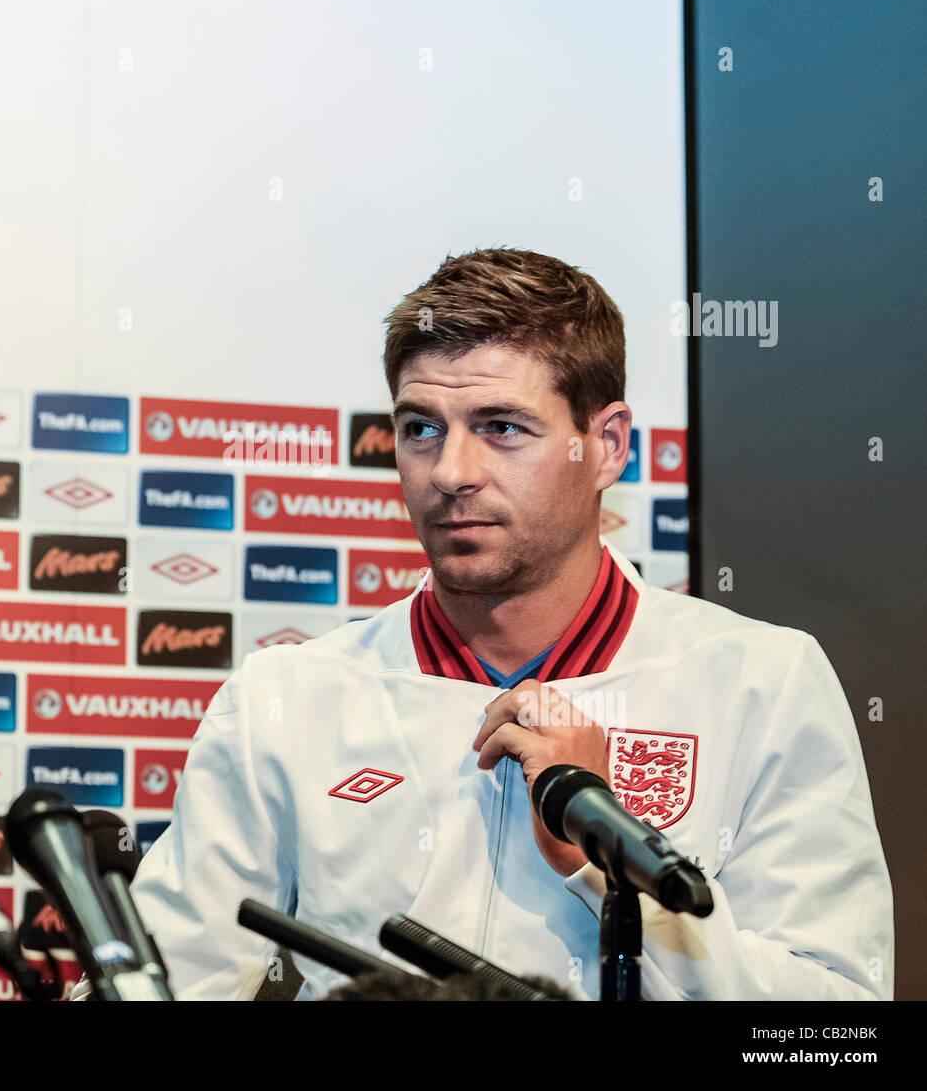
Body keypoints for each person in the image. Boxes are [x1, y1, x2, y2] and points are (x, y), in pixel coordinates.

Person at [75, 248, 894, 1001]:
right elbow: (170, 984)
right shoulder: (286, 699)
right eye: (420, 428)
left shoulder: (761, 681)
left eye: (502, 427)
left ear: (605, 445)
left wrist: (605, 870)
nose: (453, 472)